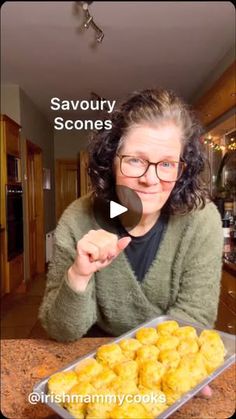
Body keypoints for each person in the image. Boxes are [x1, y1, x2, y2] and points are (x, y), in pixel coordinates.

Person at [39, 88, 223, 349]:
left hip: (164, 358)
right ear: (111, 162)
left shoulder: (202, 221)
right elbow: (61, 330)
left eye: (168, 164)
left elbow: (193, 320)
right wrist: (78, 275)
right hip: (96, 354)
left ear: (182, 170)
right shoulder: (77, 218)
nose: (150, 179)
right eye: (136, 160)